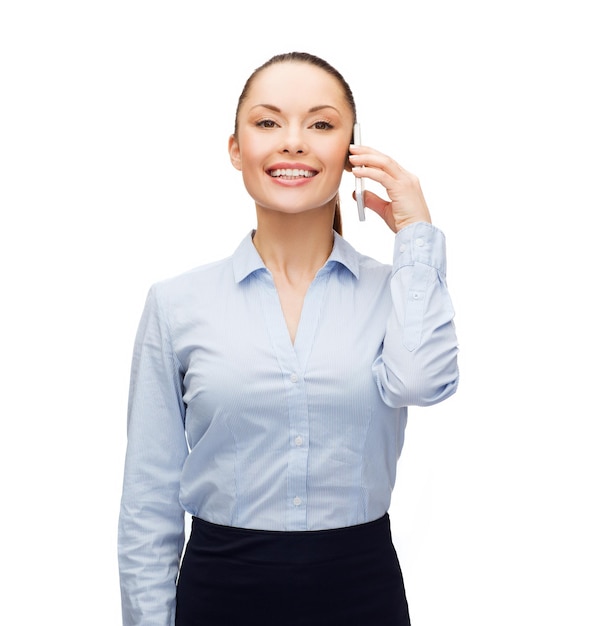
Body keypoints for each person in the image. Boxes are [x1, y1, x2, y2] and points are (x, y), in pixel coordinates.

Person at [118, 51, 459, 626]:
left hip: (362, 595)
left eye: (321, 124)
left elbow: (423, 382)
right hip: (218, 595)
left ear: (352, 153)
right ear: (236, 149)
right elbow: (147, 501)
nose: (294, 142)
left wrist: (417, 237)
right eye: (268, 122)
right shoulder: (176, 303)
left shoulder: (395, 290)